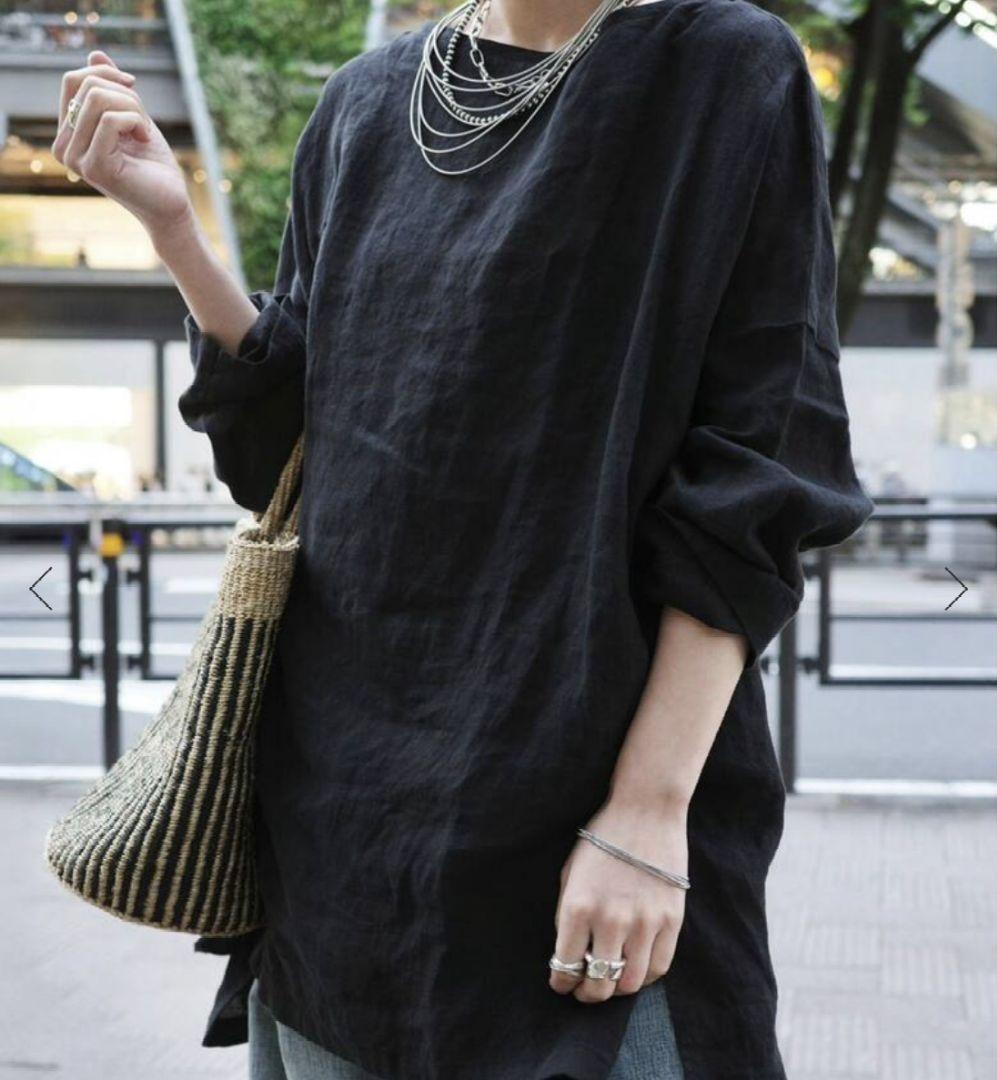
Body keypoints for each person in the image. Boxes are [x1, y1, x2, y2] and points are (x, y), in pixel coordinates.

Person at [51, 1, 874, 1077]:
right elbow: (299, 463)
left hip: (586, 832)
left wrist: (646, 813)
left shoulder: (720, 68)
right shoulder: (361, 105)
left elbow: (758, 465)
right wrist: (175, 232)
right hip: (335, 839)